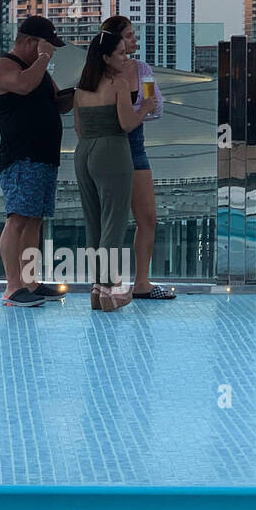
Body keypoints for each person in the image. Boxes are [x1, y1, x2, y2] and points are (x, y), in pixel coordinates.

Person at [0, 16, 72, 308]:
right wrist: (44, 58)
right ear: (28, 42)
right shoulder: (2, 66)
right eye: (45, 46)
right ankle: (13, 286)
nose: (49, 53)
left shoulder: (40, 73)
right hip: (21, 157)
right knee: (18, 218)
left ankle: (30, 281)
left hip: (45, 157)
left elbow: (56, 101)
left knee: (34, 220)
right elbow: (23, 86)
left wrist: (80, 92)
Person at [73, 17, 154, 311]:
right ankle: (110, 289)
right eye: (120, 53)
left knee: (93, 221)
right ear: (106, 57)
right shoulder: (119, 84)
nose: (125, 57)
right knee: (114, 222)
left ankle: (96, 287)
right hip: (112, 151)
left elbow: (79, 129)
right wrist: (144, 106)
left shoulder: (81, 89)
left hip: (84, 154)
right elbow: (127, 123)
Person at [110, 21, 174, 300]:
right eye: (127, 37)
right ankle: (106, 282)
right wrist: (139, 109)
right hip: (108, 146)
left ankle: (142, 282)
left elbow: (156, 107)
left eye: (133, 36)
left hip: (135, 146)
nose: (132, 42)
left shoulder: (141, 69)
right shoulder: (99, 74)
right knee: (110, 219)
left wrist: (132, 111)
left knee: (147, 216)